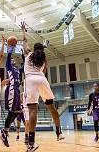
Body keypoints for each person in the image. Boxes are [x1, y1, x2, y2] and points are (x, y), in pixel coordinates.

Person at [21, 22, 64, 152]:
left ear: (34, 49)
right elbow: (45, 72)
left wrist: (24, 31)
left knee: (33, 111)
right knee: (51, 107)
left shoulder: (28, 54)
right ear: (43, 50)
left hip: (30, 81)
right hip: (42, 80)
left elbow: (24, 42)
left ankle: (32, 142)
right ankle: (59, 132)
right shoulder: (44, 59)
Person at [0, 44, 24, 147]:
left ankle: (5, 131)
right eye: (12, 60)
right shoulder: (9, 67)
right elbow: (9, 55)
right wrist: (11, 47)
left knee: (19, 111)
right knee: (12, 111)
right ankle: (4, 131)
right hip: (12, 89)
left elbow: (25, 66)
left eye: (14, 60)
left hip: (17, 90)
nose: (13, 60)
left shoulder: (18, 70)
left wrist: (23, 55)